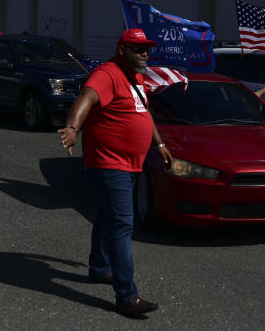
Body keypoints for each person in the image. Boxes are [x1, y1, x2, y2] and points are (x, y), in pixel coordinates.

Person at [59, 28, 172, 319]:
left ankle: (99, 268)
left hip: (129, 163)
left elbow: (144, 113)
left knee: (106, 216)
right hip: (108, 164)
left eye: (147, 48)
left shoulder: (136, 78)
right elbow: (86, 96)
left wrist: (158, 144)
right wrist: (73, 127)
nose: (145, 53)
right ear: (122, 50)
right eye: (138, 49)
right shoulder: (107, 74)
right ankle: (126, 296)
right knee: (122, 225)